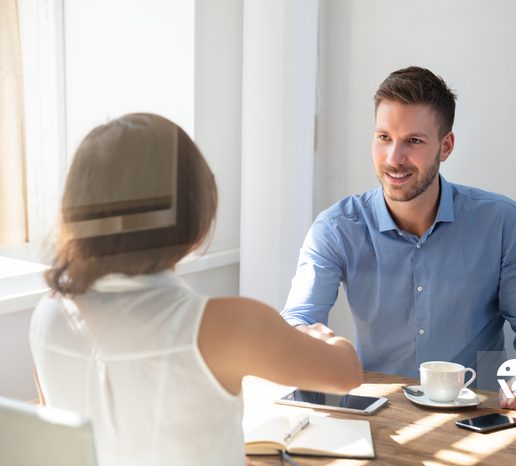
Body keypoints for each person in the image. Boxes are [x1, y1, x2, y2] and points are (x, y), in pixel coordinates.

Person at [29, 113, 363, 466]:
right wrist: (322, 337)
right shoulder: (227, 324)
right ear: (192, 208)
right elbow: (347, 373)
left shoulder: (48, 314)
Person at [281, 66, 516, 409]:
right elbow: (299, 316)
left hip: (479, 411)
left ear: (445, 146)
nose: (393, 158)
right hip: (378, 411)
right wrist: (303, 338)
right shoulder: (336, 228)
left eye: (413, 141)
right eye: (384, 137)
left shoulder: (501, 222)